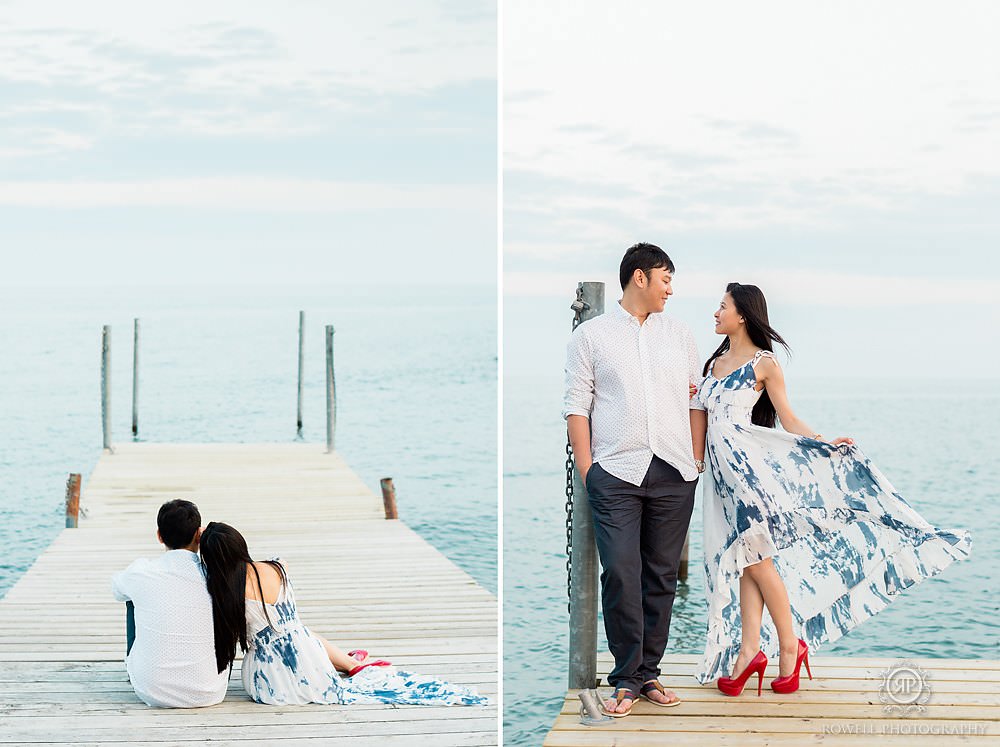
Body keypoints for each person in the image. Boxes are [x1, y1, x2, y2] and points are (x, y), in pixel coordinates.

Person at [695, 282, 972, 695]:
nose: (715, 313)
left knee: (754, 557)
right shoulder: (712, 363)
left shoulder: (763, 364)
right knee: (747, 557)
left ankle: (787, 646)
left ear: (743, 315)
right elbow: (700, 415)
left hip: (749, 474)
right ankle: (752, 649)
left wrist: (825, 444)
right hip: (718, 478)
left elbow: (787, 419)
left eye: (722, 306)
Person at [563, 243, 707, 716]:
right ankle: (625, 678)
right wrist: (588, 470)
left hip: (674, 471)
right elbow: (576, 406)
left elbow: (694, 402)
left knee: (661, 577)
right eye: (665, 279)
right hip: (615, 472)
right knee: (622, 574)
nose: (671, 289)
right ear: (639, 278)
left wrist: (696, 459)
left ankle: (648, 675)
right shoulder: (591, 336)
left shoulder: (681, 335)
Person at [197, 521, 488, 706]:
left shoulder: (225, 595)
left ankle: (350, 663)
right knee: (298, 630)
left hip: (270, 682)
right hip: (310, 659)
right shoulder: (277, 566)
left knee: (290, 633)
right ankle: (350, 663)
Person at [111, 499, 228, 707]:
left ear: (159, 536)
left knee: (131, 598)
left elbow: (116, 590)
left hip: (151, 690)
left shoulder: (142, 571)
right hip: (210, 690)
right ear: (199, 535)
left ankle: (137, 667)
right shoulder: (216, 575)